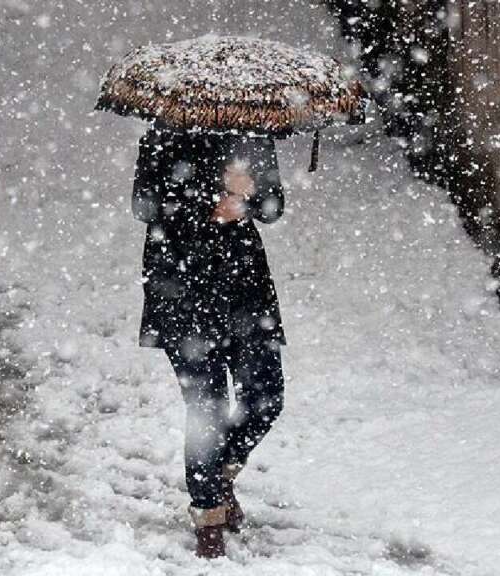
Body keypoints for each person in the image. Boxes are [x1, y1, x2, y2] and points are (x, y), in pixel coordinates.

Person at [131, 119, 286, 559]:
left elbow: (274, 207)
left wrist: (250, 196)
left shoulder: (253, 135)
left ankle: (216, 477)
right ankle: (208, 518)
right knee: (207, 408)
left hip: (245, 288)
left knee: (266, 395)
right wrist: (209, 198)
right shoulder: (163, 136)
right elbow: (144, 206)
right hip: (181, 286)